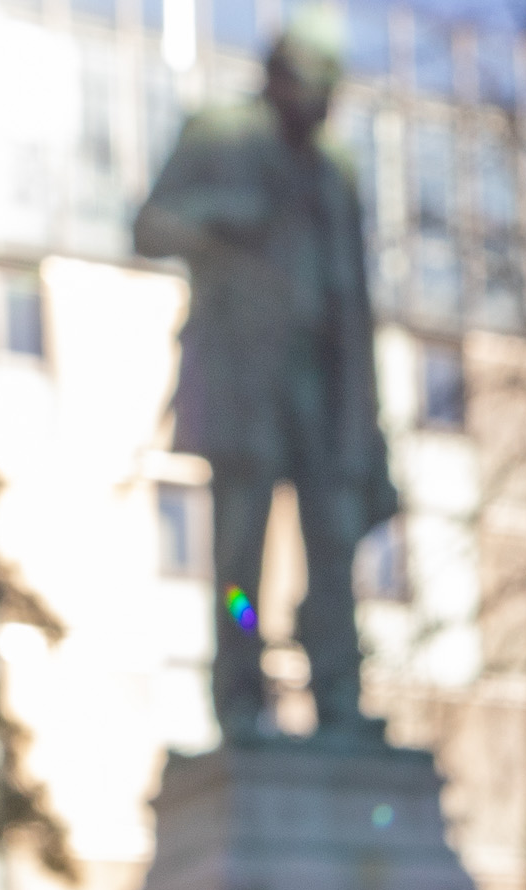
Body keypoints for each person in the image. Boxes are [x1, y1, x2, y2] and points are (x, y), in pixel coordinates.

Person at [134, 13, 398, 743]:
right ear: (279, 76)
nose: (324, 105)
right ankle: (241, 697)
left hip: (322, 382)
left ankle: (338, 694)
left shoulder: (334, 167)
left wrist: (367, 414)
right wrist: (225, 216)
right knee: (240, 557)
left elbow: (356, 298)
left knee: (332, 546)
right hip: (242, 378)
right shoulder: (219, 134)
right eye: (314, 86)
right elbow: (150, 225)